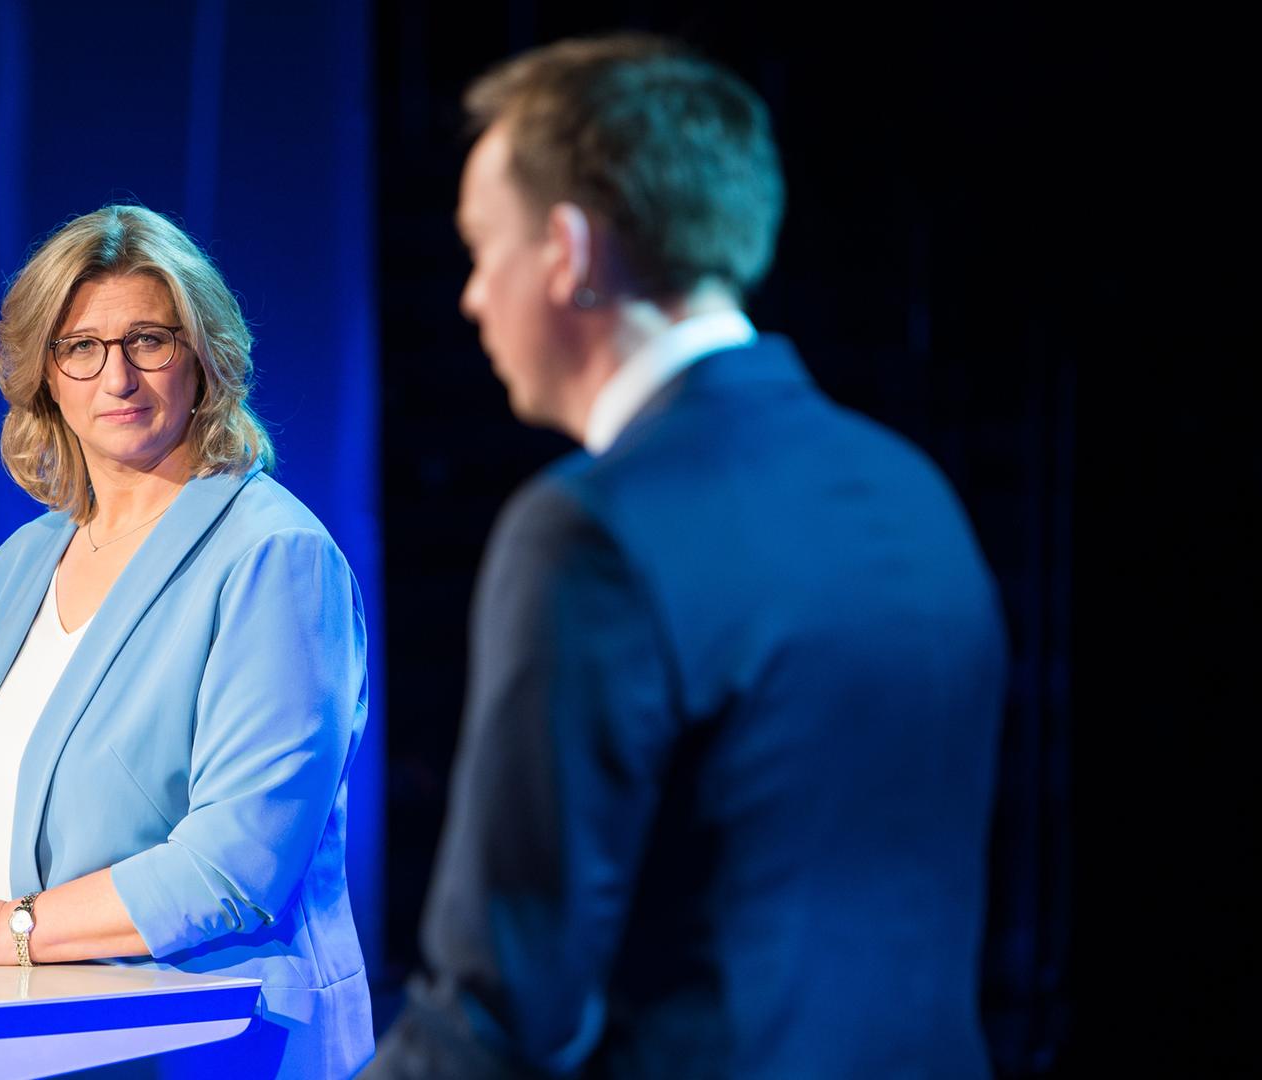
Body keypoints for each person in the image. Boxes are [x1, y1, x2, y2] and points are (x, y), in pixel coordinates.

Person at [368, 34, 1006, 1078]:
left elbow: (498, 1011)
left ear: (567, 251)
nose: (472, 295)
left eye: (483, 247)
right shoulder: (915, 492)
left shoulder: (586, 534)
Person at [0, 205, 373, 1078]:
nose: (119, 377)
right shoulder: (21, 561)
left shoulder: (274, 555)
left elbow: (237, 862)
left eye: (149, 340)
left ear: (203, 355)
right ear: (45, 374)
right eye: (82, 347)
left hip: (217, 1042)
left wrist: (4, 931)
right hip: (27, 1038)